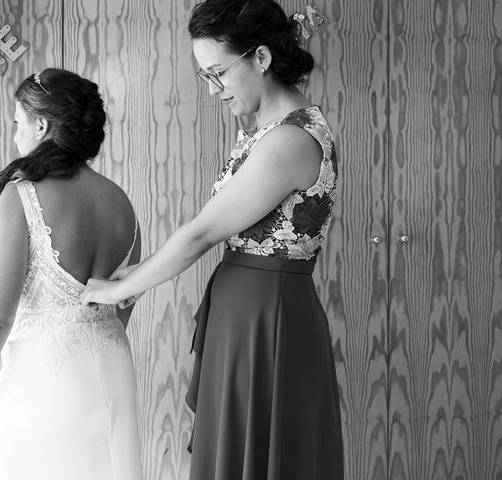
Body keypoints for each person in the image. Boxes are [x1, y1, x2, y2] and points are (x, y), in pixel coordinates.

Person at [82, 0, 344, 478]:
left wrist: (123, 288)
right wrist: (135, 273)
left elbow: (202, 232)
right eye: (206, 77)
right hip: (245, 313)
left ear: (261, 58)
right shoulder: (264, 131)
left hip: (269, 320)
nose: (214, 90)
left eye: (219, 73)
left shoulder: (290, 139)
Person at [0, 68, 144, 480]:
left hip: (47, 382)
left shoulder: (23, 195)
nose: (15, 136)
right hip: (113, 371)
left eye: (17, 124)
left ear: (41, 125)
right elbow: (121, 304)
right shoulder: (121, 203)